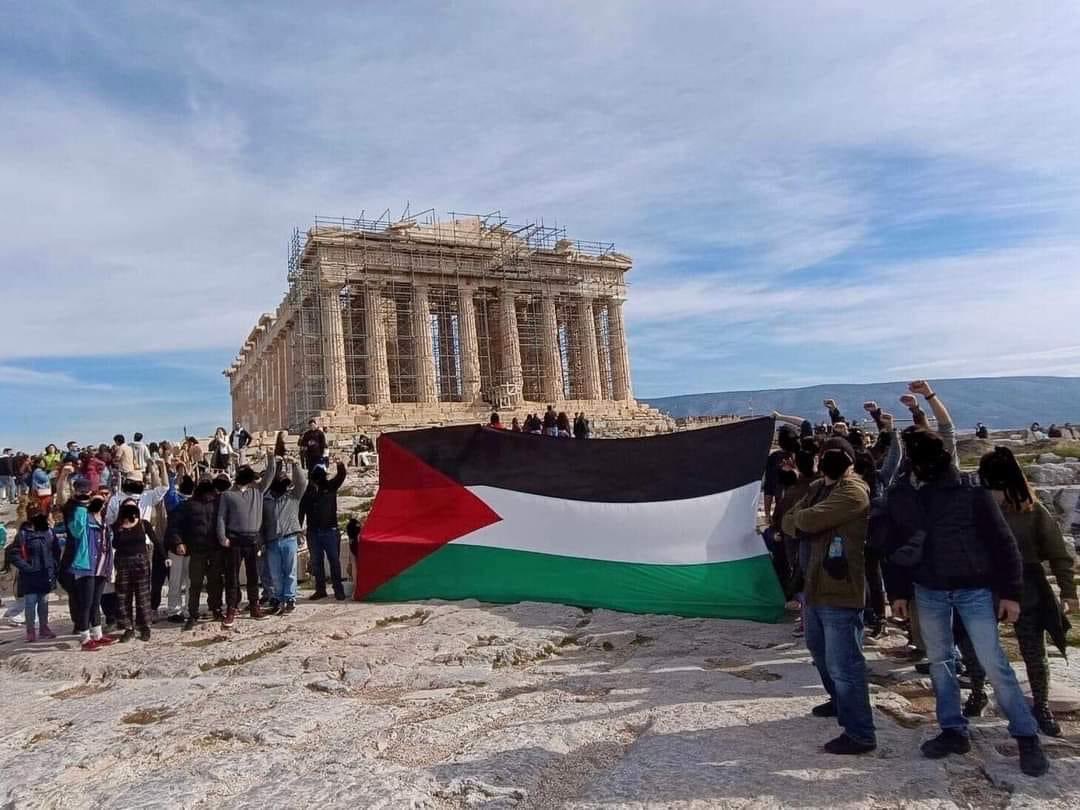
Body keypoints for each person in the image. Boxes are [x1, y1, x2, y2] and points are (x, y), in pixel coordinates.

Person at [882, 380, 1048, 777]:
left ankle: (1026, 735)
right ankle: (953, 728)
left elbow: (1003, 542)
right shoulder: (904, 494)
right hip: (930, 589)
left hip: (974, 589)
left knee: (995, 663)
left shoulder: (968, 490)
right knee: (940, 662)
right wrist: (900, 592)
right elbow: (897, 546)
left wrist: (1009, 593)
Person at [782, 437, 875, 755]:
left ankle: (861, 733)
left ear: (849, 460)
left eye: (834, 456)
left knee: (845, 663)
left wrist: (804, 522)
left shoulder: (853, 491)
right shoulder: (817, 489)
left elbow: (803, 520)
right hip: (814, 587)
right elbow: (787, 520)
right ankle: (839, 703)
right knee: (819, 652)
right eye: (825, 455)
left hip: (839, 588)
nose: (826, 460)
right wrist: (803, 522)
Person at [975, 447, 1076, 736]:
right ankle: (978, 691)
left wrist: (1068, 591)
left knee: (1033, 650)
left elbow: (1057, 553)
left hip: (1027, 586)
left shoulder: (1031, 510)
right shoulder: (977, 508)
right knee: (980, 645)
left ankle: (1041, 705)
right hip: (985, 585)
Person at [217, 451, 275, 626]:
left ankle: (254, 607)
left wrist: (271, 459)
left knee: (253, 575)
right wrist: (222, 538)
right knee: (232, 577)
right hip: (234, 539)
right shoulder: (227, 495)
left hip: (253, 539)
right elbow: (221, 517)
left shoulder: (257, 491)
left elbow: (269, 477)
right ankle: (231, 610)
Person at [167, 478, 225, 630]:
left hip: (214, 549)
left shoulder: (218, 503)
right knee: (196, 583)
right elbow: (175, 526)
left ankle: (215, 609)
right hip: (197, 550)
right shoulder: (188, 506)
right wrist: (178, 542)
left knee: (213, 582)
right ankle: (194, 613)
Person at [62, 492, 115, 651]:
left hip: (100, 566)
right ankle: (85, 638)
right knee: (85, 603)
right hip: (85, 566)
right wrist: (81, 505)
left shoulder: (104, 521)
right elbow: (76, 531)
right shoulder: (82, 518)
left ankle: (97, 634)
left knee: (96, 602)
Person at [111, 501, 162, 642]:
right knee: (123, 597)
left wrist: (164, 557)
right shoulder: (117, 526)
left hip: (140, 563)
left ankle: (145, 626)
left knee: (143, 596)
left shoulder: (143, 524)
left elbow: (156, 541)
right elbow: (114, 544)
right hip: (122, 563)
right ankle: (128, 628)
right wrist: (121, 528)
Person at [262, 457, 307, 614]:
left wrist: (295, 464)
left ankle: (289, 598)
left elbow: (302, 483)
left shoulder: (293, 496)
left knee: (290, 571)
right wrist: (272, 463)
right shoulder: (266, 499)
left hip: (289, 538)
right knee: (275, 574)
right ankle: (279, 599)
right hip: (272, 541)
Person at [299, 459, 348, 601]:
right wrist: (299, 529)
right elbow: (301, 512)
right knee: (316, 562)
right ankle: (320, 590)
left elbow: (341, 476)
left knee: (334, 561)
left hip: (330, 531)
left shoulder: (330, 487)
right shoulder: (307, 493)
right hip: (314, 532)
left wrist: (340, 464)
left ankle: (338, 590)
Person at [10, 513, 61, 642]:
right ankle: (30, 631)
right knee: (30, 603)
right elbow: (14, 554)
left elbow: (56, 550)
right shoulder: (23, 534)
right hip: (30, 576)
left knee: (44, 602)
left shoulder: (49, 533)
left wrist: (53, 565)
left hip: (45, 574)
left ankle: (44, 628)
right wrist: (27, 567)